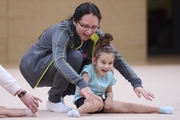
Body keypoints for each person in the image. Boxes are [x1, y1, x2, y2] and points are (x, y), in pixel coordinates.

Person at [19, 2, 155, 113]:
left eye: (94, 27)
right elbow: (60, 61)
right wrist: (81, 84)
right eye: (85, 26)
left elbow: (115, 57)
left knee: (97, 64)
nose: (89, 31)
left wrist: (136, 83)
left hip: (54, 67)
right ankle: (54, 100)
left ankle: (58, 94)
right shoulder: (62, 32)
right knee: (75, 56)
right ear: (74, 21)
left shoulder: (96, 35)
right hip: (34, 67)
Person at [67, 33, 174, 117]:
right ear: (94, 60)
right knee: (95, 104)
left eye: (110, 63)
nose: (107, 66)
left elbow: (109, 92)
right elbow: (81, 91)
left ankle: (159, 109)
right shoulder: (88, 70)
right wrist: (96, 98)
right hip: (85, 100)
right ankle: (76, 111)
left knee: (127, 107)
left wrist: (108, 99)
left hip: (100, 101)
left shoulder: (109, 74)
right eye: (103, 62)